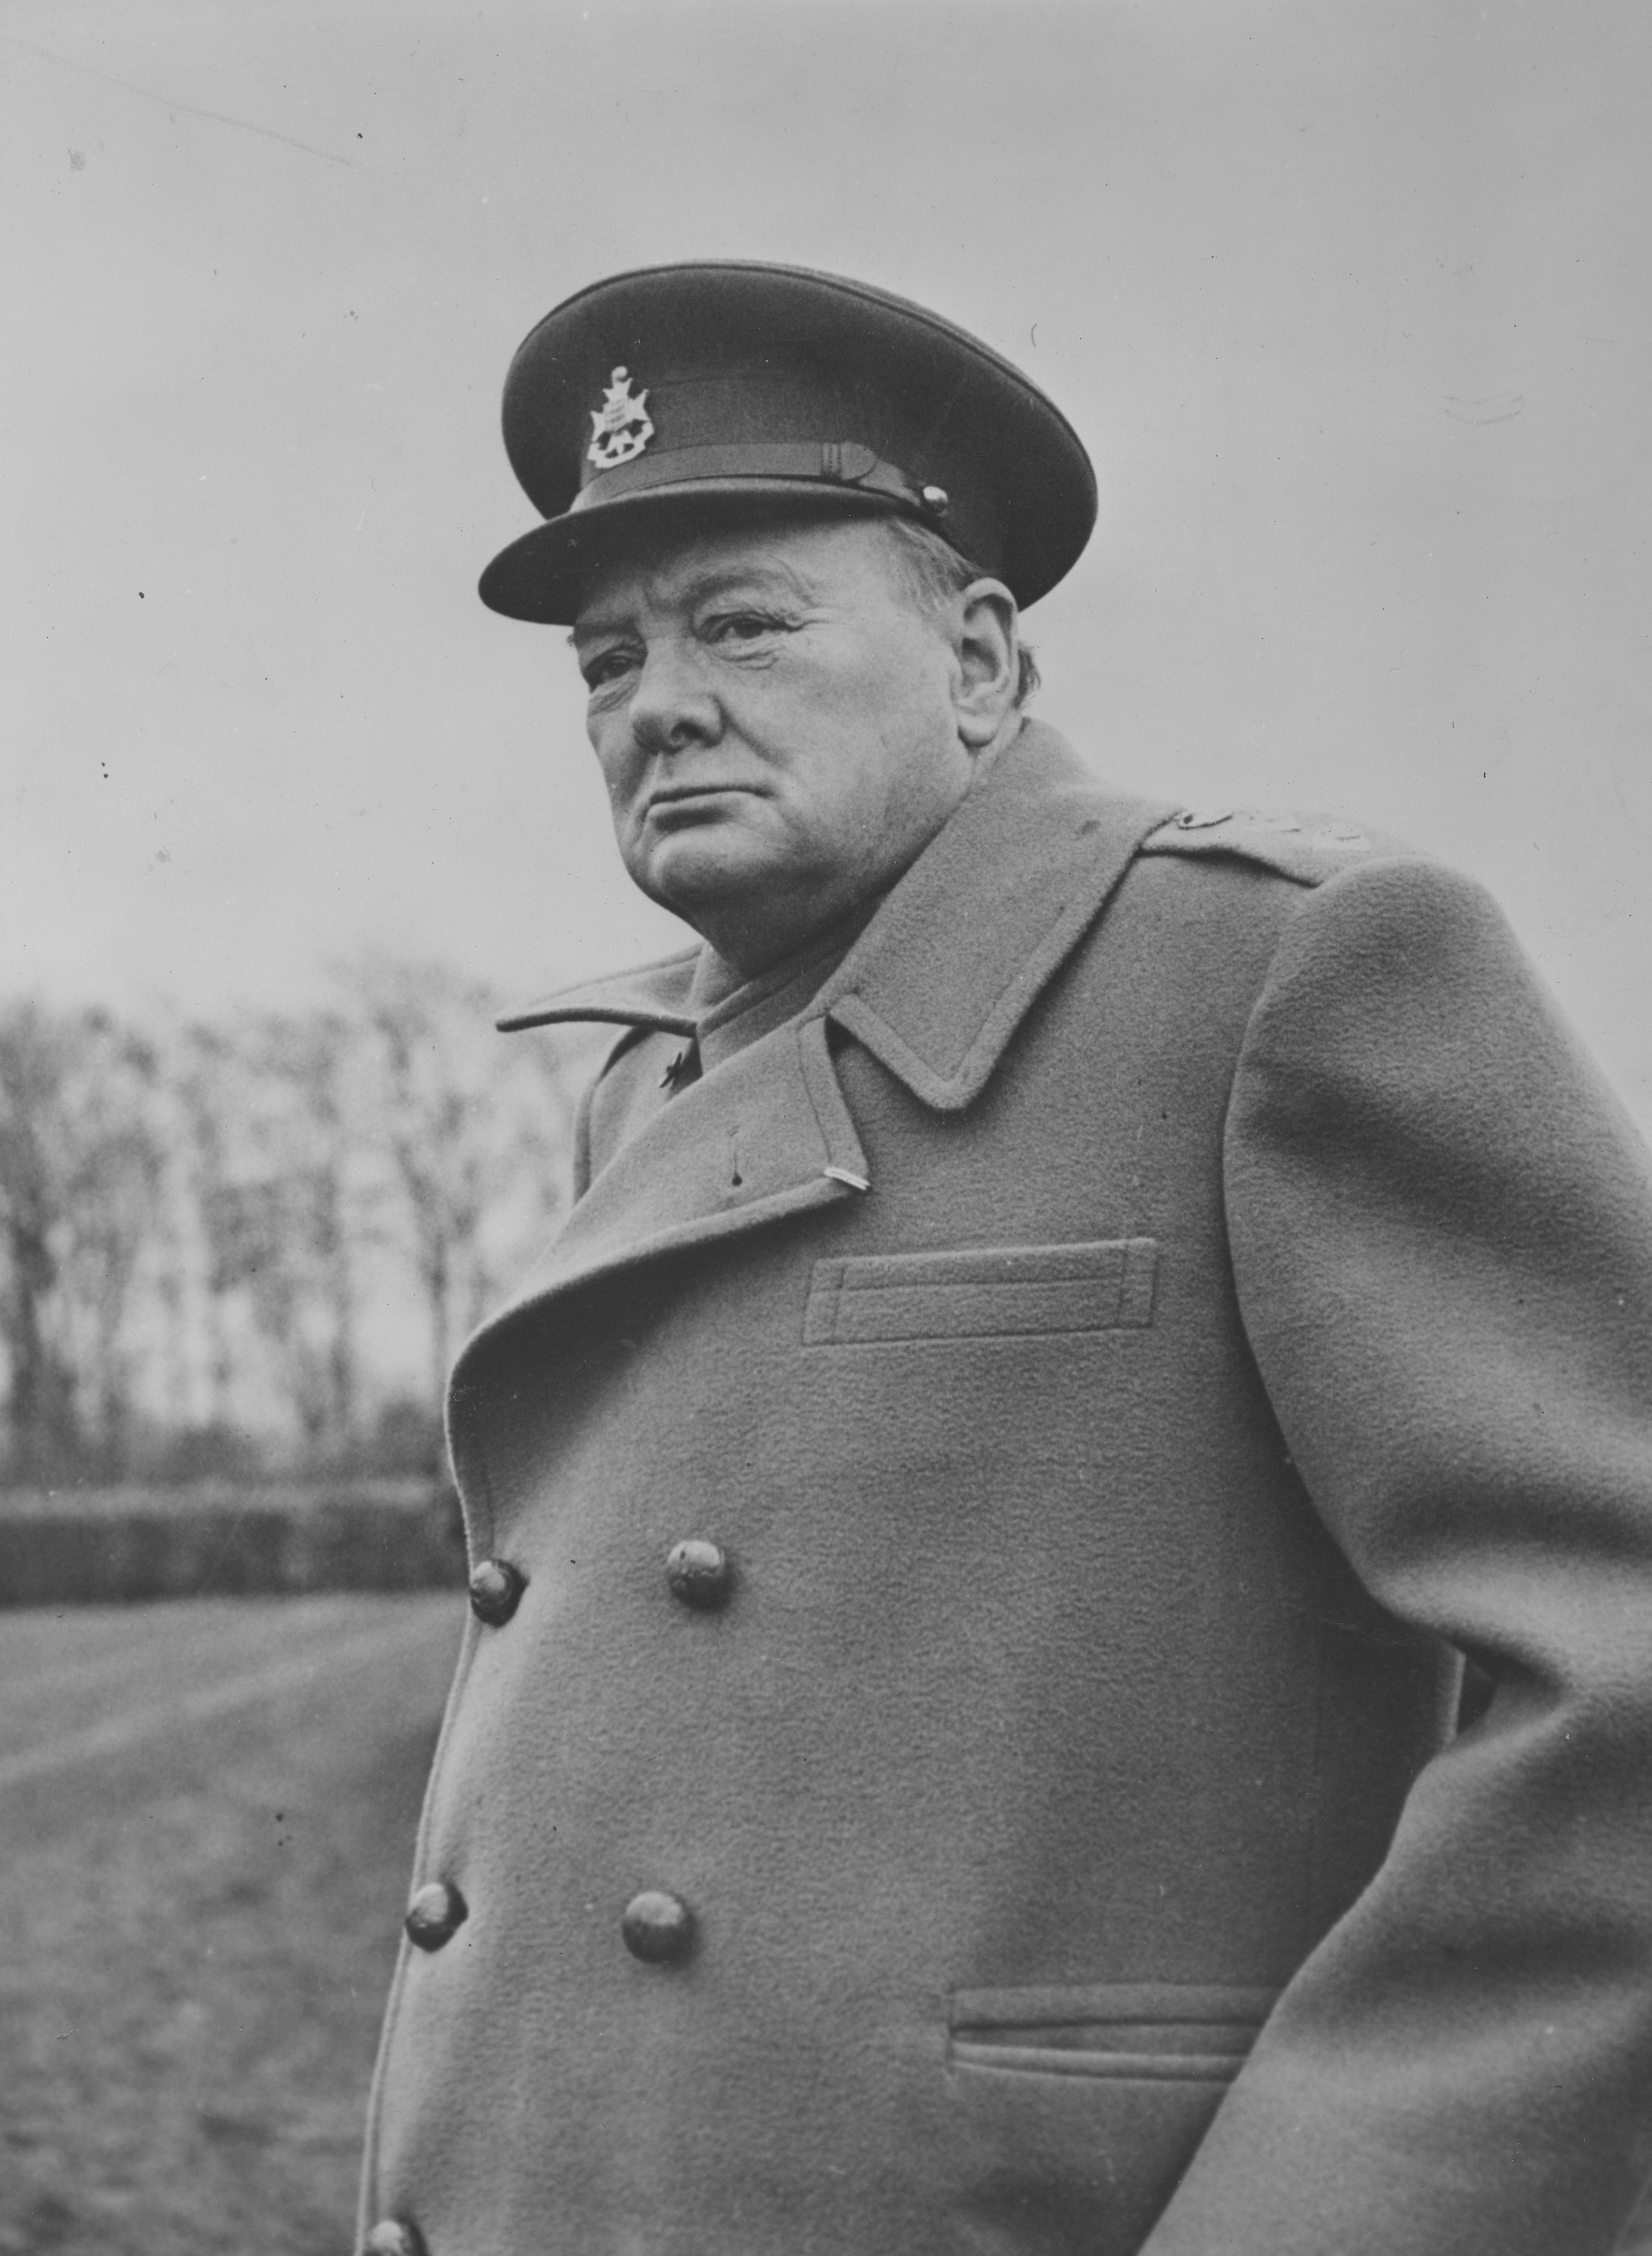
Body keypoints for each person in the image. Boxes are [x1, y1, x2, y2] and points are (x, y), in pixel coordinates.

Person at [356, 262, 1652, 2256]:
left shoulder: (1277, 967)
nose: (656, 703)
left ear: (979, 661)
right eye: (607, 659)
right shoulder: (648, 1077)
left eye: (741, 623)